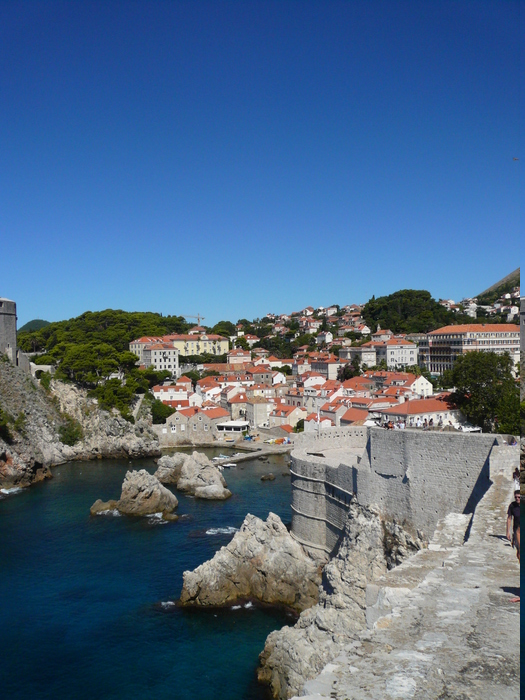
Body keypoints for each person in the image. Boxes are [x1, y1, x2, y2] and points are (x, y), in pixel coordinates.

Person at [506, 490, 520, 602]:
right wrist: (508, 532)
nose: (517, 499)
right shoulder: (513, 506)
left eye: (519, 497)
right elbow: (509, 518)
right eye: (516, 497)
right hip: (517, 534)